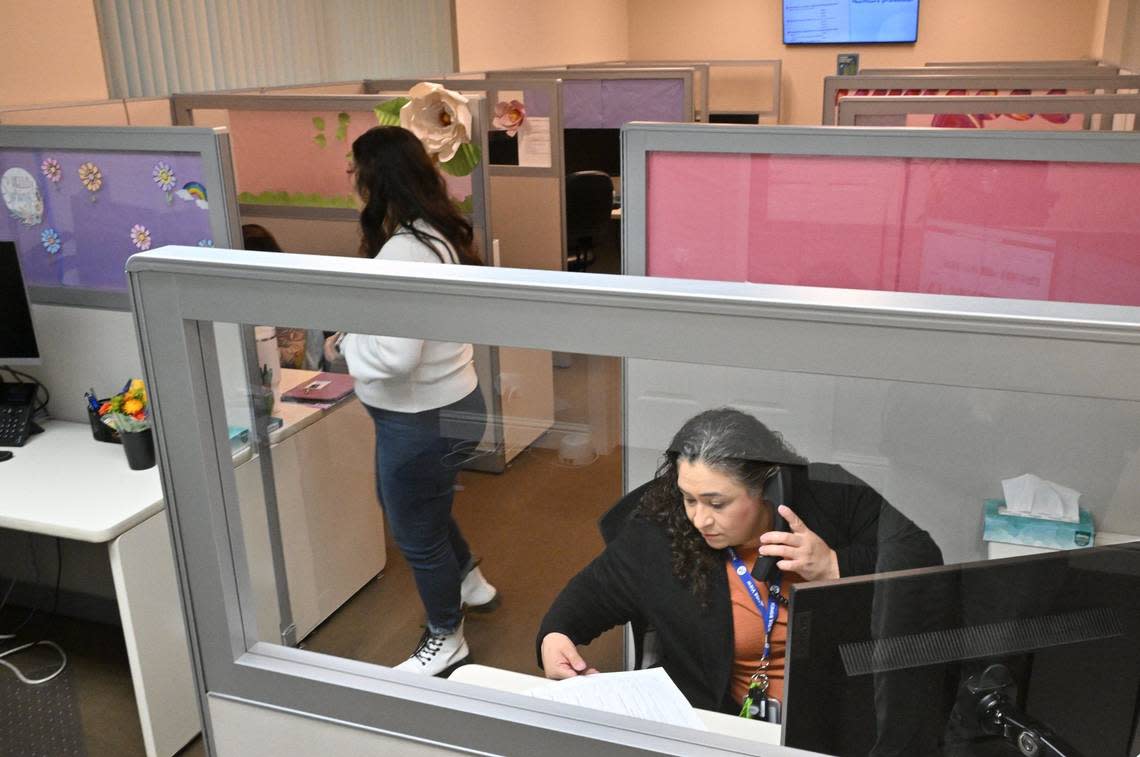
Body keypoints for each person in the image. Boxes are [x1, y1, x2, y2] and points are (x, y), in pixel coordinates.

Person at [537, 407, 942, 718]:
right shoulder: (662, 532)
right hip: (719, 722)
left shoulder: (833, 498)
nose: (699, 518)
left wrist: (835, 565)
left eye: (717, 503)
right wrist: (554, 637)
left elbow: (923, 559)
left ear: (769, 486)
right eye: (689, 498)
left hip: (836, 714)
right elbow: (589, 596)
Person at [327, 126, 498, 677]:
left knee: (414, 532)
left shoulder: (405, 251)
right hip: (452, 405)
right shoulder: (431, 233)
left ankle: (448, 637)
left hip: (421, 421)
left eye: (354, 170)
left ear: (375, 178)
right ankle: (468, 578)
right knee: (424, 506)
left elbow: (397, 357)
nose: (350, 180)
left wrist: (347, 343)